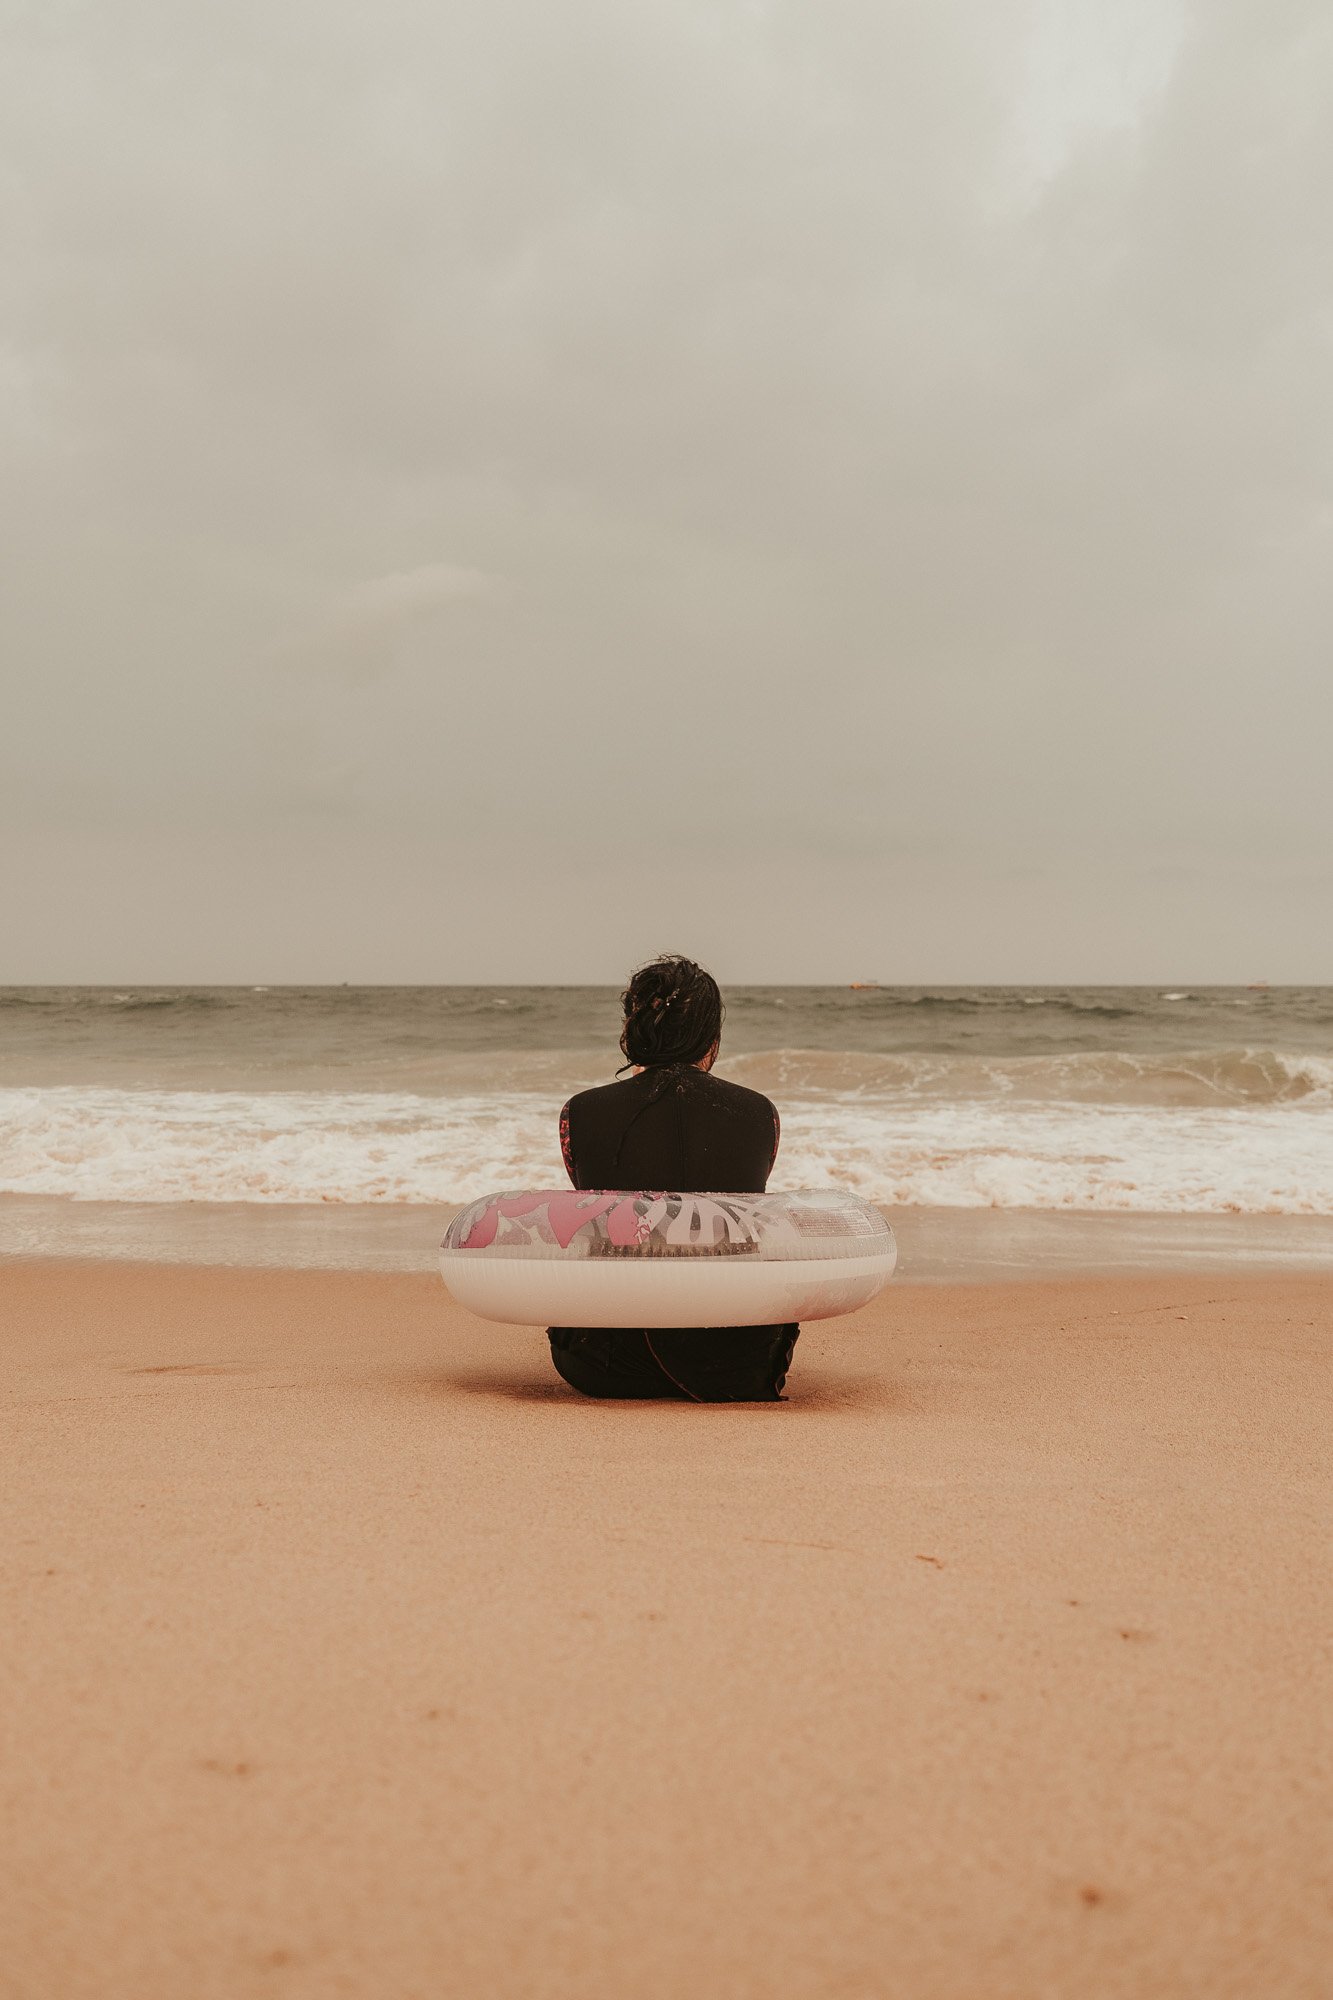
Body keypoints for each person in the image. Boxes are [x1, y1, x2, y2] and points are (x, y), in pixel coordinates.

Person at [547, 955, 799, 1402]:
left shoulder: (581, 1112)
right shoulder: (760, 1113)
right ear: (712, 1037)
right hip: (743, 1366)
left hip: (603, 1364)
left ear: (631, 1030)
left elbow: (595, 1215)